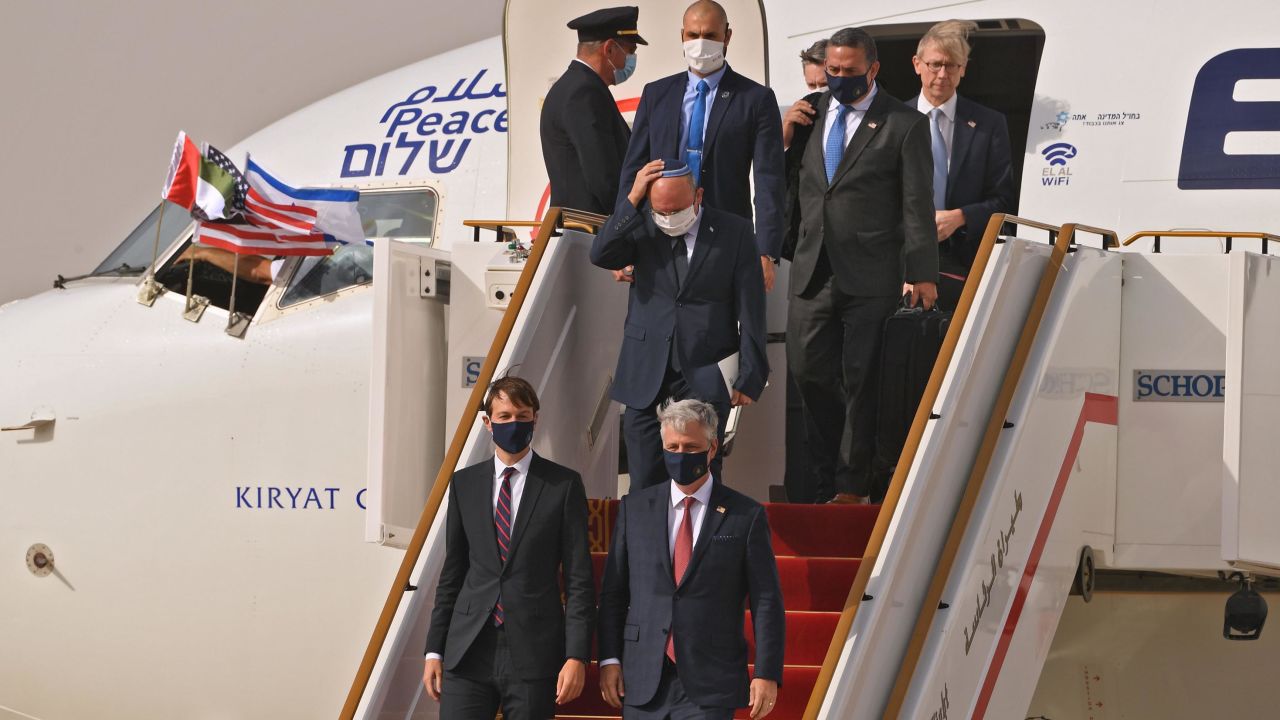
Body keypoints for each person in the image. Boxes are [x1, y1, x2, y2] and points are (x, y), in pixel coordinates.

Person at [787, 27, 938, 504]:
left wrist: (923, 271)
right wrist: (786, 136)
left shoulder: (903, 123)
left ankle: (850, 486)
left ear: (872, 70)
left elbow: (917, 203)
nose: (839, 79)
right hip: (814, 267)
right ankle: (831, 470)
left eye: (850, 72)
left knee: (862, 378)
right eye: (832, 71)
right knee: (808, 370)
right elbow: (792, 189)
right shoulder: (809, 118)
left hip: (872, 271)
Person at [597, 399, 785, 719]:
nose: (680, 455)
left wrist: (766, 673)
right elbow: (615, 593)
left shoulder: (745, 515)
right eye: (673, 446)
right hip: (642, 680)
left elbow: (766, 599)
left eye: (690, 447)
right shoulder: (635, 508)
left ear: (712, 449)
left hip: (711, 683)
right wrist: (609, 659)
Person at [422, 376, 595, 719]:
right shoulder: (464, 484)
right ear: (488, 423)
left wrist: (576, 655)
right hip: (468, 650)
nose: (513, 424)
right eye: (503, 417)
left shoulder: (563, 485)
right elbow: (453, 574)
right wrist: (433, 651)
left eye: (522, 415)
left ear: (535, 418)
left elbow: (579, 580)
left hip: (534, 653)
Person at [592, 159, 768, 491]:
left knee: (701, 479)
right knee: (643, 479)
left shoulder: (735, 231)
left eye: (676, 210)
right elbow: (600, 254)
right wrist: (632, 199)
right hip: (646, 370)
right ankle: (644, 543)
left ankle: (700, 542)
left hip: (705, 367)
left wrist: (751, 372)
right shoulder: (641, 225)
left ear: (698, 196)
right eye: (661, 210)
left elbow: (751, 306)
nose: (668, 218)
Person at [617, 0, 785, 292]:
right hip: (659, 234)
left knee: (719, 330)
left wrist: (766, 250)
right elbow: (634, 170)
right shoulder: (657, 94)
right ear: (682, 36)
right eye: (693, 35)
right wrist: (620, 238)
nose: (701, 43)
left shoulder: (755, 99)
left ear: (727, 36)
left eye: (710, 35)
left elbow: (769, 179)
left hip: (725, 237)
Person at [910, 19, 1015, 308]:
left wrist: (960, 216)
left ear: (963, 69)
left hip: (965, 263)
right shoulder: (892, 121)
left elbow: (1004, 199)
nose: (943, 74)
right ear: (917, 64)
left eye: (952, 65)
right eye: (935, 64)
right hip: (902, 263)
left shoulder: (989, 123)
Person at [540, 6, 648, 216]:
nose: (631, 60)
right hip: (592, 230)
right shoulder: (584, 92)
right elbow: (603, 176)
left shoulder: (573, 85)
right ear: (609, 49)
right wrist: (629, 218)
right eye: (630, 52)